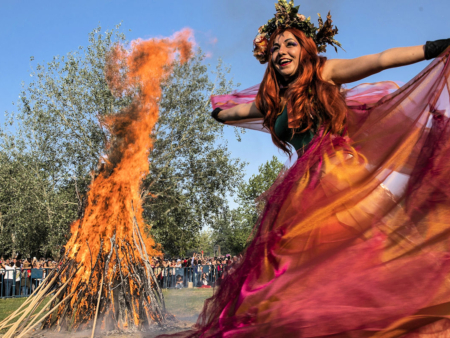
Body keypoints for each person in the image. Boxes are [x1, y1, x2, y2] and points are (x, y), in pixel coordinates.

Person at [163, 1, 450, 337]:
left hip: (340, 175)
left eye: (290, 44)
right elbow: (234, 113)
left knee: (372, 254)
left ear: (306, 49)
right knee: (299, 274)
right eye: (274, 48)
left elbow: (378, 60)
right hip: (303, 188)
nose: (281, 51)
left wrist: (432, 48)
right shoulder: (273, 101)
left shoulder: (324, 75)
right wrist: (218, 113)